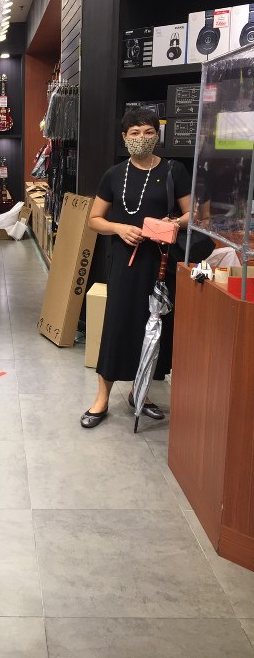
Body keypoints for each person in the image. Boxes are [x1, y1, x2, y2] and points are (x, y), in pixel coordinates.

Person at [81, 107, 191, 428]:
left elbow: (192, 213)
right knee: (117, 324)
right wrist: (119, 228)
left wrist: (173, 223)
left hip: (160, 263)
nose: (141, 137)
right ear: (124, 137)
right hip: (125, 262)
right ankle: (102, 397)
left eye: (148, 132)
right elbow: (94, 219)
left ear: (157, 135)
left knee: (153, 327)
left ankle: (141, 393)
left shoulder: (174, 170)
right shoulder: (114, 174)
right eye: (134, 133)